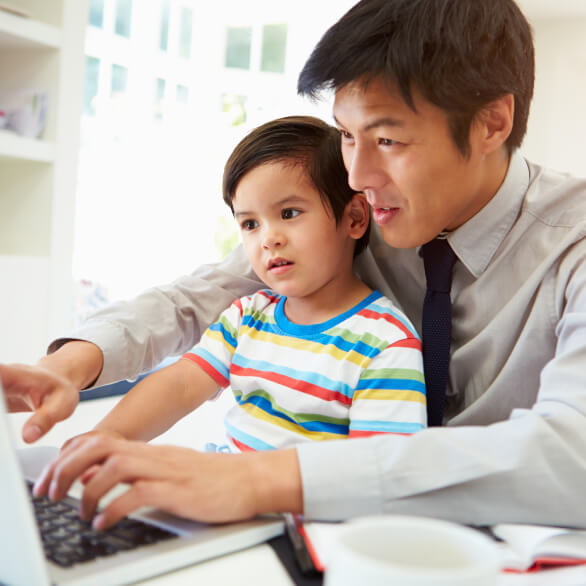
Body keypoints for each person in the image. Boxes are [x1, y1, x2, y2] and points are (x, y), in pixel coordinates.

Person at [3, 0, 586, 530]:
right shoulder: (355, 217)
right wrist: (72, 366)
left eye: (387, 141)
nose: (356, 175)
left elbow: (572, 455)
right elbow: (198, 297)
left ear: (492, 123)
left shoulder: (573, 244)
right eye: (345, 135)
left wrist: (258, 480)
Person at [58, 116, 425, 459]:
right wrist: (108, 439)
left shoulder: (385, 343)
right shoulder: (247, 316)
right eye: (250, 224)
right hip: (223, 499)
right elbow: (181, 385)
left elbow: (378, 475)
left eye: (289, 213)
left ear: (355, 217)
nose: (269, 239)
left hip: (302, 519)